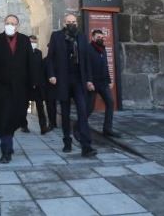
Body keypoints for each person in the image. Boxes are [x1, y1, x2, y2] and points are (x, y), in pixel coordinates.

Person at [0, 15, 33, 163]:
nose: (10, 25)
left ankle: (8, 140)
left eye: (13, 23)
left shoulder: (24, 40)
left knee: (16, 117)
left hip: (20, 88)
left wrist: (32, 84)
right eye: (8, 23)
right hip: (0, 88)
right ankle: (6, 150)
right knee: (2, 118)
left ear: (18, 26)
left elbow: (30, 63)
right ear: (4, 24)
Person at [47, 13, 98, 158]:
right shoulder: (56, 36)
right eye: (69, 21)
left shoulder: (81, 36)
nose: (71, 24)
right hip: (63, 80)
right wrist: (51, 75)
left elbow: (86, 59)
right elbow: (50, 58)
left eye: (74, 21)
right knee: (65, 113)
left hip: (78, 80)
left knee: (82, 111)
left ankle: (86, 146)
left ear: (77, 23)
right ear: (64, 23)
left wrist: (89, 79)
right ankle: (67, 141)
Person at [86, 29, 121, 138]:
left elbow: (105, 66)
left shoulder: (103, 49)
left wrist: (109, 81)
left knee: (110, 103)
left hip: (103, 83)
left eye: (102, 37)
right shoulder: (88, 49)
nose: (100, 39)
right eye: (98, 37)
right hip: (93, 83)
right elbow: (87, 67)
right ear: (93, 38)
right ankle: (79, 125)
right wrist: (89, 81)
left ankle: (107, 129)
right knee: (89, 108)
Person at [20, 35, 50, 134]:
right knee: (24, 106)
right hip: (26, 85)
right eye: (31, 41)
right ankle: (23, 125)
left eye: (34, 41)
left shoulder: (38, 53)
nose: (33, 43)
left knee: (40, 106)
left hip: (37, 85)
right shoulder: (23, 53)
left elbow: (40, 69)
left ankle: (43, 127)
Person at [44, 41, 59, 130]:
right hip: (48, 87)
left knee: (55, 106)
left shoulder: (60, 60)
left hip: (58, 86)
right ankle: (51, 122)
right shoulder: (45, 60)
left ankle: (54, 122)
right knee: (50, 106)